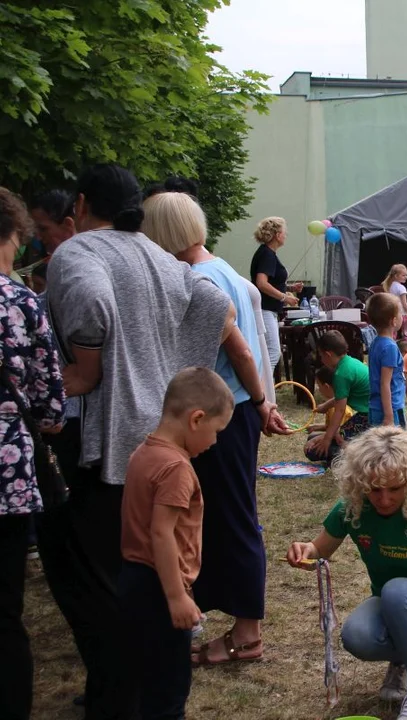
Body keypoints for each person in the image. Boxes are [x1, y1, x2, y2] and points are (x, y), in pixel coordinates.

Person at [45, 164, 242, 718]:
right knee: (151, 570)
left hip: (106, 442)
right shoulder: (159, 255)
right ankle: (147, 691)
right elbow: (216, 305)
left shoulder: (78, 253)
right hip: (158, 439)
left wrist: (85, 370)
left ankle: (118, 696)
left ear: (82, 205)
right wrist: (176, 372)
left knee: (96, 576)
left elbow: (91, 302)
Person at [142, 192, 290, 666]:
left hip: (220, 420)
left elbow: (244, 352)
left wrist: (264, 401)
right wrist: (261, 404)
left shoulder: (199, 280)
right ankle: (215, 618)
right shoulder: (223, 268)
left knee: (233, 521)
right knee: (225, 517)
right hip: (236, 412)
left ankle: (247, 635)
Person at [287, 427, 407, 720]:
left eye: (395, 488)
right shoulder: (351, 510)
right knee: (356, 636)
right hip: (393, 605)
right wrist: (305, 550)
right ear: (359, 484)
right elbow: (319, 549)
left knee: (397, 590)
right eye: (374, 489)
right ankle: (404, 659)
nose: (384, 499)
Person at [119, 368, 233, 719]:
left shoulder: (144, 452)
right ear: (196, 418)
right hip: (158, 586)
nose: (214, 443)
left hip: (133, 580)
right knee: (169, 689)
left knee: (146, 679)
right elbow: (161, 534)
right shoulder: (176, 469)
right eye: (216, 432)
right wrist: (176, 596)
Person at [0, 187, 65, 720]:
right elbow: (50, 406)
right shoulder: (21, 303)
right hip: (8, 475)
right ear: (15, 236)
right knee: (4, 613)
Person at [309, 330, 370, 462]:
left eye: (320, 355)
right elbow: (341, 398)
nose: (321, 358)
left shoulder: (341, 374)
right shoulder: (351, 362)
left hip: (369, 418)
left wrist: (326, 439)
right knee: (315, 438)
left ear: (328, 354)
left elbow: (340, 410)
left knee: (312, 451)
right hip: (370, 413)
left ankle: (351, 459)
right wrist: (325, 405)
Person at [250, 216, 298, 369]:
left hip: (267, 309)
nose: (286, 235)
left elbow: (272, 282)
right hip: (265, 310)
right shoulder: (267, 255)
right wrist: (285, 298)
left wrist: (290, 288)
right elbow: (262, 283)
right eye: (285, 232)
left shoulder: (267, 253)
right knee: (272, 353)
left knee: (267, 353)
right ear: (277, 235)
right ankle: (262, 390)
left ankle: (262, 389)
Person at [367, 293, 407, 428]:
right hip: (389, 409)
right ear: (393, 321)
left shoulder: (376, 343)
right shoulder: (389, 347)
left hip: (376, 407)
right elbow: (385, 383)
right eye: (400, 314)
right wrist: (389, 415)